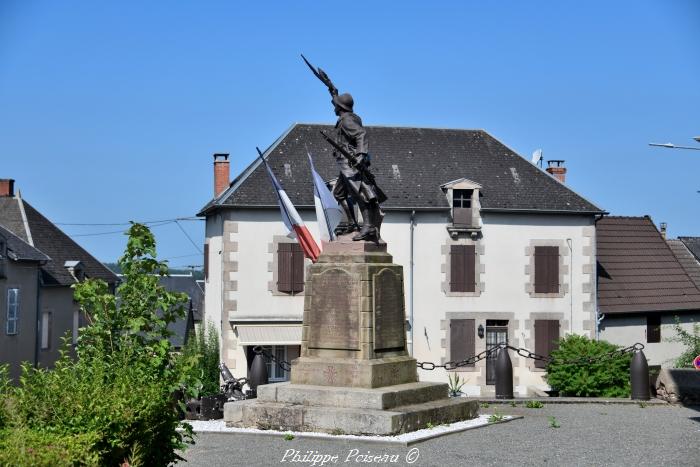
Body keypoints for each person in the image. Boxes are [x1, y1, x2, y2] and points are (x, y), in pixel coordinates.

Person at [328, 92, 384, 242]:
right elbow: (336, 101)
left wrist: (360, 155)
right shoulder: (349, 116)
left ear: (340, 107)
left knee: (360, 193)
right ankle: (352, 223)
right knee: (339, 194)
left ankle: (368, 226)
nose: (333, 107)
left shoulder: (346, 121)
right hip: (345, 163)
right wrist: (332, 90)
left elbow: (361, 135)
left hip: (350, 162)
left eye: (336, 105)